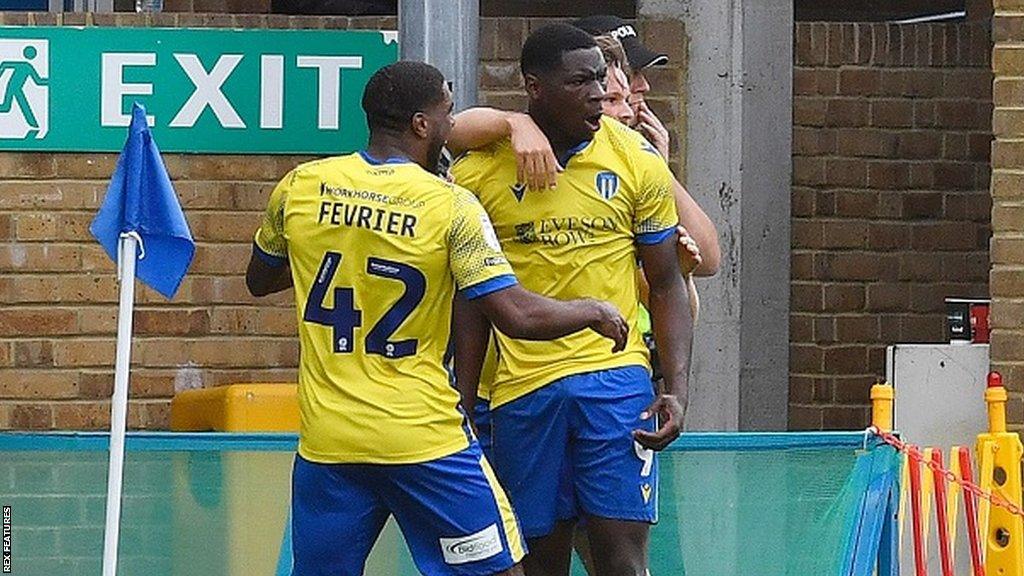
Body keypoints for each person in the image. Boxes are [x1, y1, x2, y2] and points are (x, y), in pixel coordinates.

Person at [245, 60, 631, 576]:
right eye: (447, 114)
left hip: (329, 443)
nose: (452, 128)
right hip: (423, 440)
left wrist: (347, 254)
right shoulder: (451, 206)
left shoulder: (301, 186)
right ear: (421, 126)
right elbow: (515, 314)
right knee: (499, 571)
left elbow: (260, 278)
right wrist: (592, 309)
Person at [450, 24, 694, 576]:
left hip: (615, 383)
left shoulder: (634, 159)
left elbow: (666, 282)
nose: (595, 93)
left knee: (623, 563)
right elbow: (472, 300)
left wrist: (676, 388)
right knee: (539, 565)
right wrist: (463, 400)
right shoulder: (480, 169)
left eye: (600, 82)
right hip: (520, 393)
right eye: (579, 81)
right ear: (534, 87)